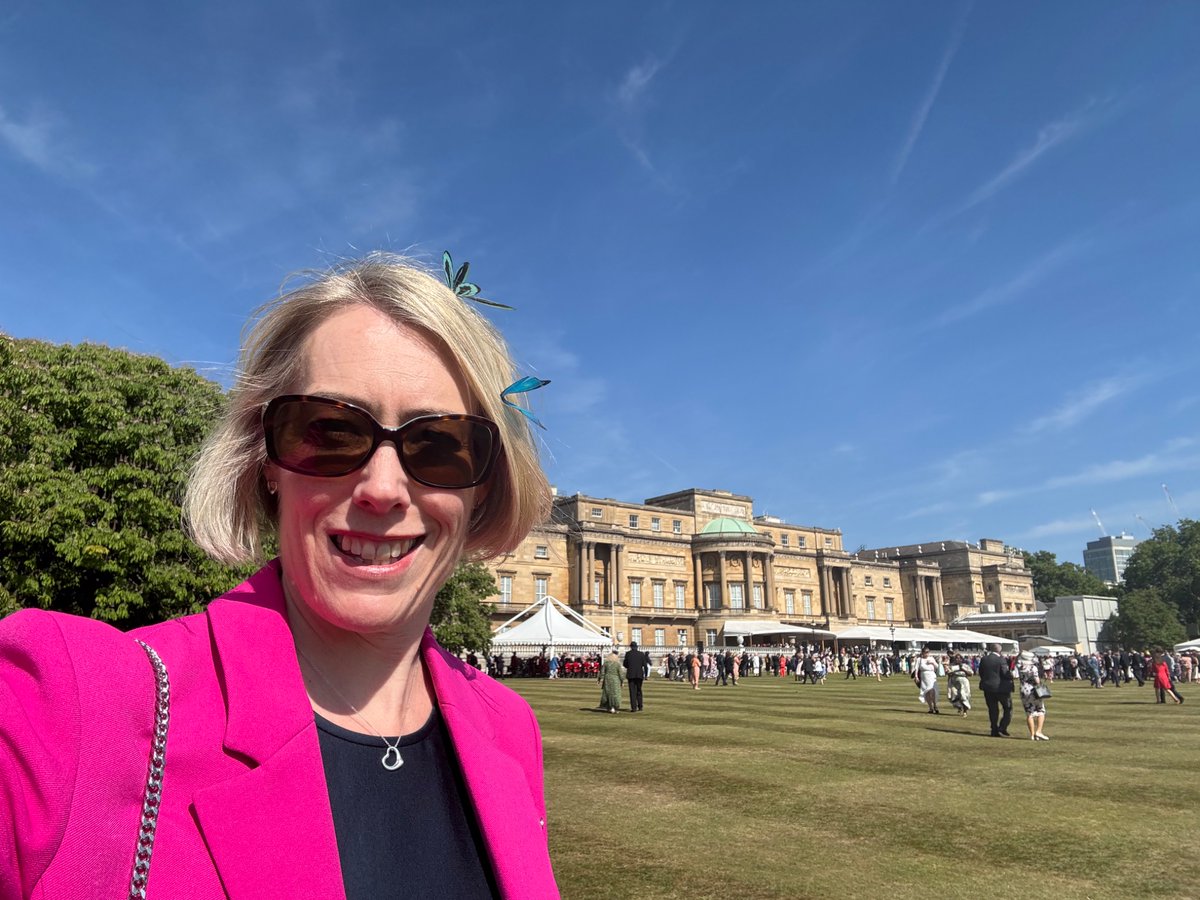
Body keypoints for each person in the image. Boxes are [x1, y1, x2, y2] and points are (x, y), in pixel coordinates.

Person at [0, 254, 559, 898]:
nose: (382, 488)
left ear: (485, 485)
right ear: (268, 459)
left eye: (438, 444)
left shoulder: (509, 729)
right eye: (329, 432)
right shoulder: (71, 706)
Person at [978, 643, 1015, 737]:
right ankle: (1002, 727)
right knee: (1008, 708)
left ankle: (994, 729)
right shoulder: (1001, 660)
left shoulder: (984, 659)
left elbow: (981, 673)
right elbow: (1005, 673)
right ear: (999, 650)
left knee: (993, 710)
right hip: (1001, 688)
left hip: (988, 687)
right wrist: (1011, 675)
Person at [1017, 650, 1050, 740]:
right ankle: (1038, 731)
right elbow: (1037, 680)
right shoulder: (1032, 667)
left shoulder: (1020, 667)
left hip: (1023, 689)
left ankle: (1032, 734)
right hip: (1033, 690)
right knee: (1041, 710)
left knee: (1029, 713)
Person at [913, 647, 941, 714]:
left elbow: (937, 667)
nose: (927, 654)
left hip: (931, 675)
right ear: (922, 652)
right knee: (927, 692)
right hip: (924, 676)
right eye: (925, 652)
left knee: (932, 691)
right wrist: (916, 676)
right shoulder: (919, 659)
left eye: (928, 652)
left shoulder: (931, 658)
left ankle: (935, 705)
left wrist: (933, 663)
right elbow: (916, 668)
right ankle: (930, 708)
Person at [624, 640, 650, 712]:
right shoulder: (641, 654)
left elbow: (625, 664)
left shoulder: (628, 654)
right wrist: (646, 675)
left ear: (631, 647)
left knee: (632, 691)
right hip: (639, 674)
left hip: (631, 674)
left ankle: (634, 707)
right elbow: (645, 666)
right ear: (637, 647)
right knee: (639, 690)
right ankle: (640, 706)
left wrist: (629, 666)